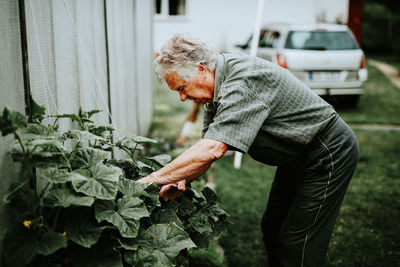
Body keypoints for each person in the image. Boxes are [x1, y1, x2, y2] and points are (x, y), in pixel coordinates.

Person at [138, 34, 359, 267]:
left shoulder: (242, 82)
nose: (183, 98)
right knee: (272, 226)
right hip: (296, 157)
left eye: (182, 88)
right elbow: (208, 146)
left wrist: (151, 180)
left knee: (299, 241)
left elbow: (211, 149)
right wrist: (181, 179)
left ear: (201, 69)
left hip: (327, 152)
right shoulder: (216, 89)